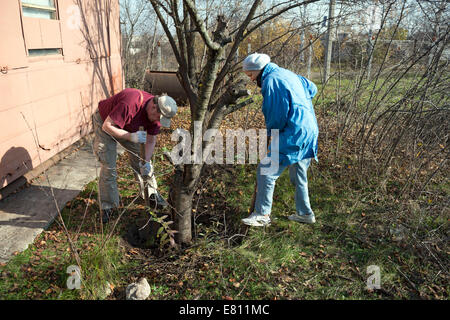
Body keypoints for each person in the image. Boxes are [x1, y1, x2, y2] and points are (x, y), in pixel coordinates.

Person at [241, 53, 319, 227]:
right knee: (299, 172)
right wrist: (300, 104)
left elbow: (276, 113)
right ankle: (305, 213)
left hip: (293, 131)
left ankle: (262, 214)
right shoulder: (288, 74)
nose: (252, 79)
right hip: (310, 128)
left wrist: (272, 132)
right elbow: (312, 88)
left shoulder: (271, 81)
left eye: (250, 75)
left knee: (267, 170)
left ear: (258, 70)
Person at [92, 88, 178, 223]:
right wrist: (130, 136)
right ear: (153, 107)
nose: (158, 121)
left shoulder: (156, 117)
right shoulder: (131, 103)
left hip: (129, 126)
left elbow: (150, 140)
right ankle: (108, 206)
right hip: (105, 122)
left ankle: (151, 195)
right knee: (109, 165)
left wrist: (146, 162)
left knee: (141, 159)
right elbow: (107, 126)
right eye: (158, 117)